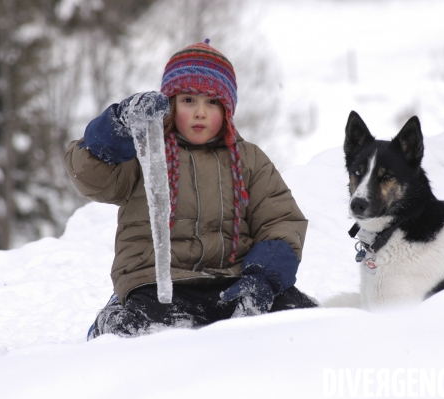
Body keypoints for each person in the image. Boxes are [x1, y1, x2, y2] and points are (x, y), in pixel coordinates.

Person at [64, 39, 317, 340]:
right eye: (188, 100)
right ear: (170, 103)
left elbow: (281, 222)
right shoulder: (145, 152)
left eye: (212, 102)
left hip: (234, 282)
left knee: (302, 318)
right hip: (161, 287)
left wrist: (262, 278)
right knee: (143, 330)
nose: (200, 112)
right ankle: (115, 318)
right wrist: (117, 128)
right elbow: (91, 174)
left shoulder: (249, 160)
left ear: (227, 110)